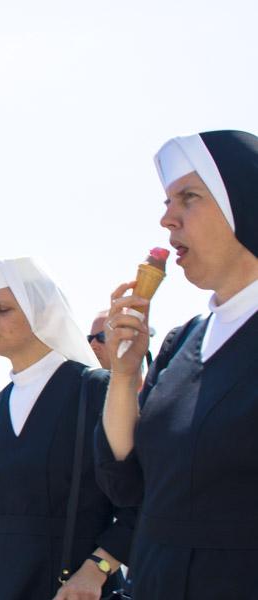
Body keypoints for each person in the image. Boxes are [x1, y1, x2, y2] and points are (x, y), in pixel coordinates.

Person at [96, 129, 258, 598]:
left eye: (188, 197)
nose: (167, 218)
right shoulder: (182, 340)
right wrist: (124, 377)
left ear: (241, 204)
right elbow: (128, 486)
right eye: (167, 201)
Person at [0, 258, 134, 599]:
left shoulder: (95, 391)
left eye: (2, 309)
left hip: (78, 593)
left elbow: (143, 500)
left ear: (41, 314)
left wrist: (96, 570)